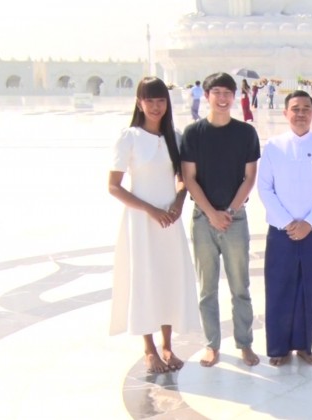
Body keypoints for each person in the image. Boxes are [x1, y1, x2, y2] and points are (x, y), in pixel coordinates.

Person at [108, 76, 200, 374]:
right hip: (142, 221)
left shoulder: (175, 136)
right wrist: (151, 210)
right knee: (145, 278)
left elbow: (183, 179)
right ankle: (149, 348)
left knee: (168, 278)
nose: (156, 106)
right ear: (139, 103)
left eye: (161, 100)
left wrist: (178, 202)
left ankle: (167, 345)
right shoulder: (129, 137)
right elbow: (114, 186)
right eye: (150, 100)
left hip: (169, 221)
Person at [181, 72, 261, 367]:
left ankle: (245, 343)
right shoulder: (193, 133)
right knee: (207, 288)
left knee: (240, 286)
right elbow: (189, 178)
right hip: (203, 219)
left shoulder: (246, 133)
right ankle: (212, 344)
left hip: (234, 218)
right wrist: (212, 214)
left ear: (234, 96)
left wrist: (230, 211)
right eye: (217, 92)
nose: (223, 98)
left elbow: (249, 177)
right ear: (207, 95)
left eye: (228, 92)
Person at [257, 90, 312, 366]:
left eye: (306, 109)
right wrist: (287, 222)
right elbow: (265, 188)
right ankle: (278, 348)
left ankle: (304, 345)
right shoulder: (274, 146)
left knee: (309, 290)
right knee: (279, 289)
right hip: (281, 232)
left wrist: (310, 223)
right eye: (295, 109)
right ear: (285, 113)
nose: (301, 114)